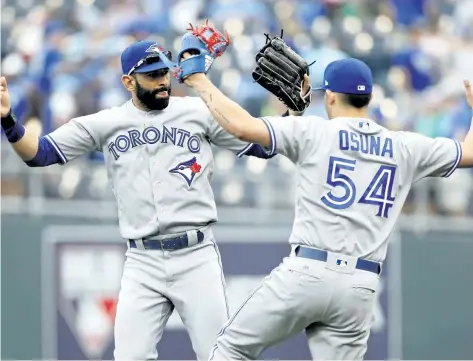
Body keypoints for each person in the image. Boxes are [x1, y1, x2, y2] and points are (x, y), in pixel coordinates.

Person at [0, 40, 307, 360]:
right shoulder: (107, 123)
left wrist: (293, 112)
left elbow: (260, 145)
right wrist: (9, 121)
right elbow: (38, 154)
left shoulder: (196, 111)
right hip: (141, 261)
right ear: (127, 82)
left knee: (219, 356)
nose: (162, 80)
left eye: (164, 71)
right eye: (151, 74)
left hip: (195, 256)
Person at [180, 56, 473, 360]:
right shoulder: (406, 146)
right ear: (369, 98)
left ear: (330, 96)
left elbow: (241, 128)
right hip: (361, 285)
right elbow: (469, 153)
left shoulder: (314, 131)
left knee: (232, 348)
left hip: (308, 271)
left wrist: (199, 80)